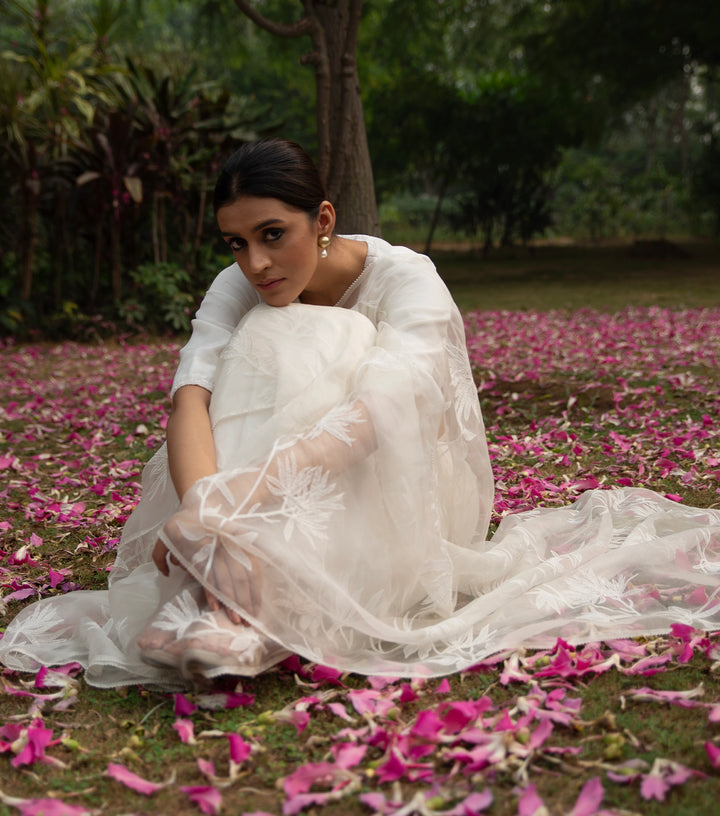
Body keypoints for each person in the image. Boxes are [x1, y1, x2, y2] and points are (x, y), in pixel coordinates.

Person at [1, 139, 719, 691]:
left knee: (324, 334)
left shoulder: (410, 281)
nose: (253, 262)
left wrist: (230, 510)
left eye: (272, 234)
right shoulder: (240, 284)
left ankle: (242, 601)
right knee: (265, 331)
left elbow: (378, 416)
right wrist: (202, 510)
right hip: (251, 494)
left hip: (403, 483)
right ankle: (225, 593)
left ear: (323, 220)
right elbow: (191, 394)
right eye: (236, 243)